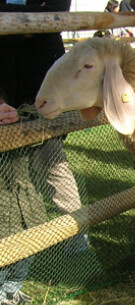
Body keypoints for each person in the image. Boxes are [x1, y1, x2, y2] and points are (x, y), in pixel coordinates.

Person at [0, 0, 89, 248]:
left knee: (50, 157)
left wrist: (12, 26)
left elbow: (54, 10)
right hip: (5, 81)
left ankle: (75, 234)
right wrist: (27, 28)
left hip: (40, 84)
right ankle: (14, 246)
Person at [0, 86, 47, 305]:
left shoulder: (18, 120)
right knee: (4, 252)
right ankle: (0, 294)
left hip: (26, 200)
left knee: (30, 246)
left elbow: (38, 113)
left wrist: (17, 115)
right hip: (3, 206)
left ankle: (13, 288)